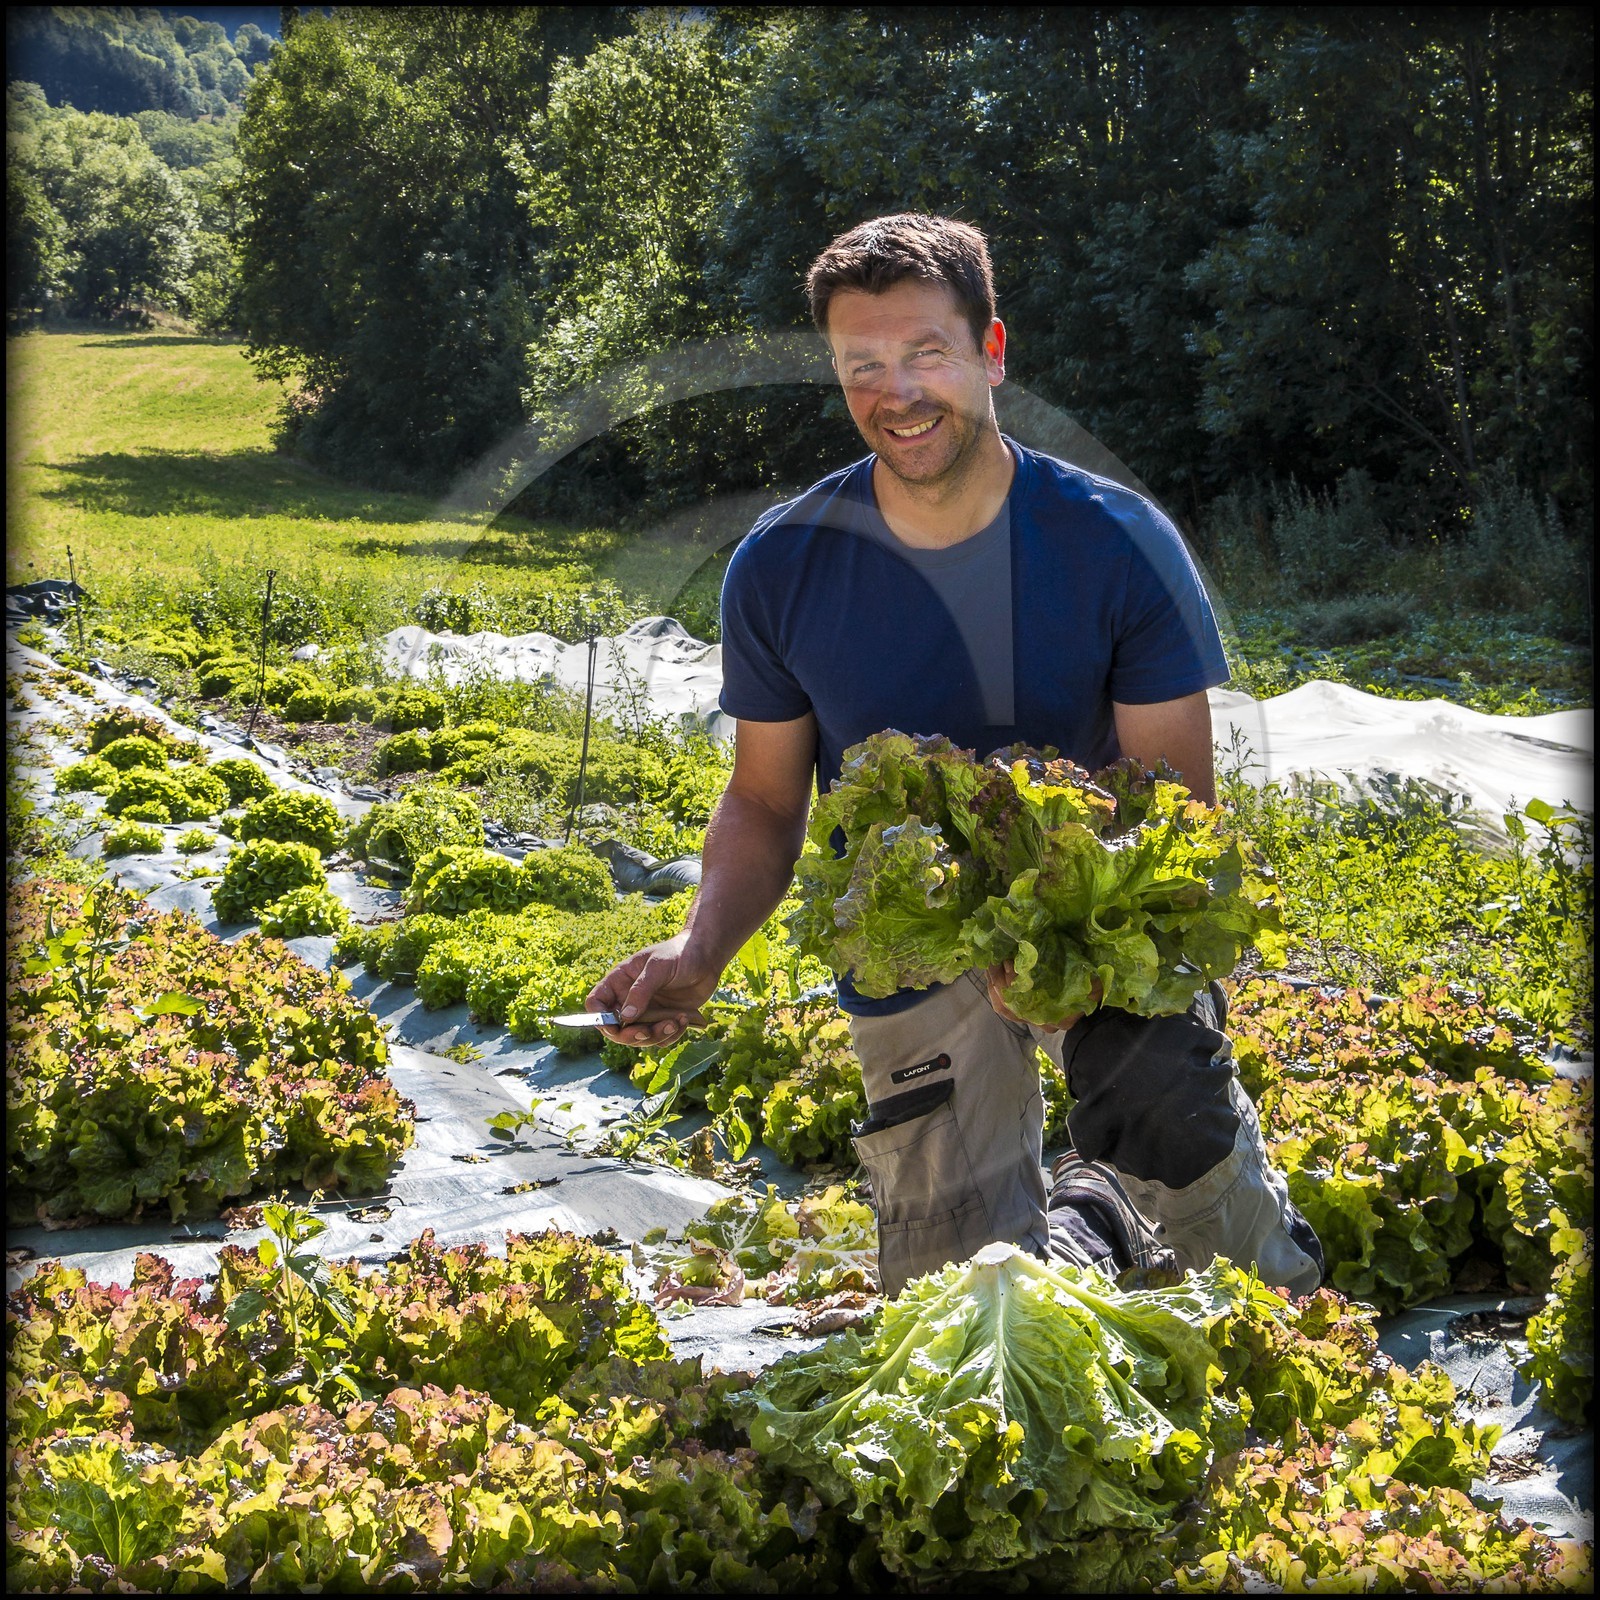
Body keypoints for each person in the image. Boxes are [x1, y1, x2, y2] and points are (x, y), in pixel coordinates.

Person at [590, 212, 1324, 1300]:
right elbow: (764, 803)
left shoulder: (1118, 543)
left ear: (991, 352)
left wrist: (1052, 948)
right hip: (915, 940)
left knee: (1168, 1118)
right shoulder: (782, 566)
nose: (896, 392)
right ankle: (1092, 1218)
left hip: (1091, 924)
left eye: (926, 352)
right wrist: (698, 948)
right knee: (967, 1293)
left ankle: (1257, 1261)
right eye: (862, 365)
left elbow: (1174, 815)